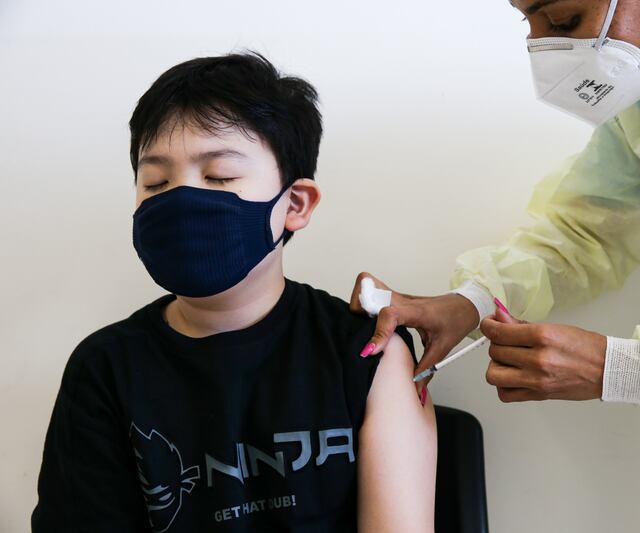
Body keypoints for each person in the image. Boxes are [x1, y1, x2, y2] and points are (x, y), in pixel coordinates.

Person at [32, 52, 436, 532]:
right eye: (156, 182)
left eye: (219, 176)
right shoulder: (104, 369)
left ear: (295, 203)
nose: (182, 199)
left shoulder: (367, 350)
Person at [352, 0, 640, 418]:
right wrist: (474, 300)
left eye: (563, 21)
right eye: (526, 21)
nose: (541, 47)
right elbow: (587, 233)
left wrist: (626, 367)